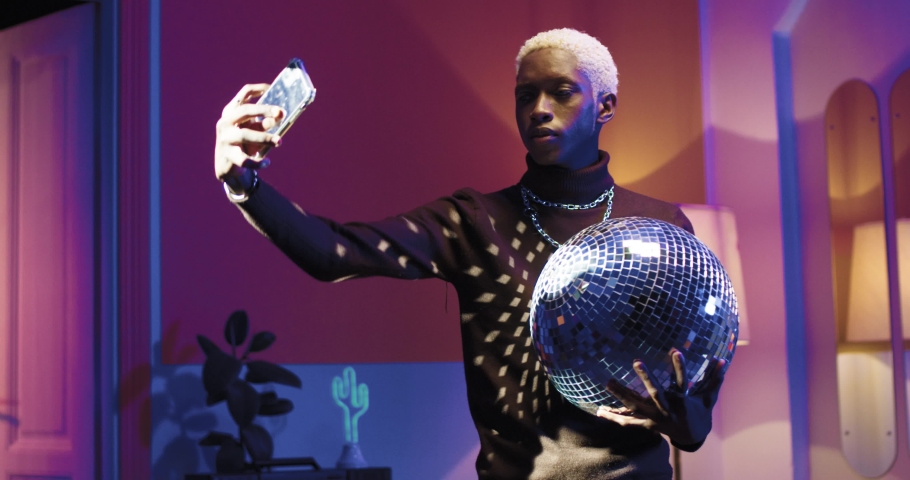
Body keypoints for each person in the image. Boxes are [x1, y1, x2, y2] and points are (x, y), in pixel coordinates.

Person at [214, 28, 724, 480]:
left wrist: (685, 419)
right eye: (526, 95)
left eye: (562, 91)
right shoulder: (474, 221)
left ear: (605, 106)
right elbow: (334, 253)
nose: (539, 108)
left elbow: (695, 423)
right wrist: (243, 184)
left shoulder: (662, 229)